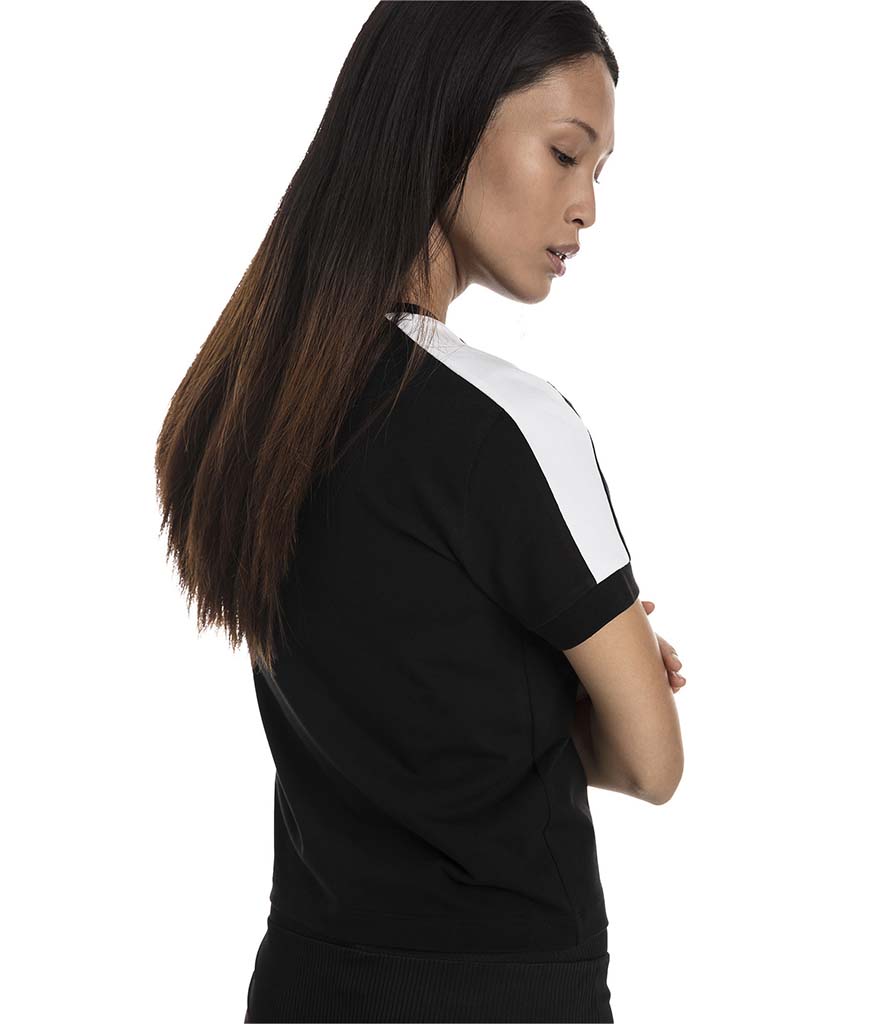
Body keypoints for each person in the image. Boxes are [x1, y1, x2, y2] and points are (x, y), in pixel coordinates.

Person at [155, 3, 684, 1021]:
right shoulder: (510, 425)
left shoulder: (244, 405)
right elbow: (650, 762)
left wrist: (521, 688)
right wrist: (577, 691)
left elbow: (390, 704)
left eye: (599, 172)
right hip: (503, 989)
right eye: (564, 153)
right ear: (447, 122)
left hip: (304, 980)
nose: (586, 207)